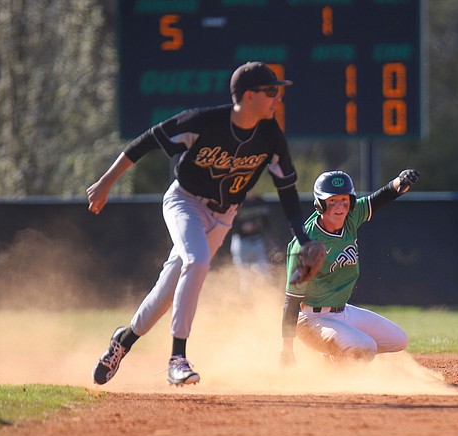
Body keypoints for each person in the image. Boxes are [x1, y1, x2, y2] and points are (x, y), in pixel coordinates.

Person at [88, 62, 314, 386]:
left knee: (167, 291)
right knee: (197, 261)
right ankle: (177, 359)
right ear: (248, 97)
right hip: (185, 202)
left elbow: (287, 189)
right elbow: (147, 142)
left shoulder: (269, 134)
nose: (277, 98)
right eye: (271, 92)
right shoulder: (203, 121)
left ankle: (121, 343)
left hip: (224, 215)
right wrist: (106, 183)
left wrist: (304, 239)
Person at [279, 168, 420, 366]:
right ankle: (334, 370)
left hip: (342, 312)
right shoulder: (306, 245)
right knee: (366, 347)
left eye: (345, 200)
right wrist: (286, 349)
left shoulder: (350, 218)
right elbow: (292, 300)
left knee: (399, 340)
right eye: (332, 201)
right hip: (310, 320)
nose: (340, 206)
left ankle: (332, 353)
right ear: (320, 203)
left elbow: (378, 199)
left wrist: (400, 182)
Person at [229, 195, 273, 295]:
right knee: (245, 276)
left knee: (264, 273)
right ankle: (246, 302)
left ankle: (264, 297)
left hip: (257, 240)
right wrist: (241, 227)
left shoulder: (260, 201)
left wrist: (270, 241)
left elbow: (266, 223)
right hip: (241, 241)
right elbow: (229, 222)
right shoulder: (236, 200)